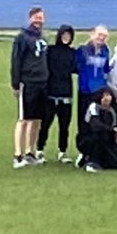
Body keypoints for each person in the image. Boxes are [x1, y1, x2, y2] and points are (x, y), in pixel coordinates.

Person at [10, 6, 49, 169]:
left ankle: (30, 151)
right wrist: (15, 83)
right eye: (36, 17)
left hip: (42, 82)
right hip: (28, 82)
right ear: (30, 18)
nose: (39, 20)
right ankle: (18, 155)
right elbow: (16, 60)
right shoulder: (22, 37)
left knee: (36, 120)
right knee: (24, 119)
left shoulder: (43, 38)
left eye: (41, 17)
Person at [37, 24, 76, 164]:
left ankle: (62, 151)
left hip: (66, 94)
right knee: (46, 123)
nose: (66, 37)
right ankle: (39, 150)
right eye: (64, 34)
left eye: (69, 35)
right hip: (50, 93)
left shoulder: (73, 53)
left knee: (64, 125)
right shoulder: (51, 51)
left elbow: (78, 68)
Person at [74, 26, 111, 144]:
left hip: (99, 92)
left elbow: (106, 70)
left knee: (97, 121)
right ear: (92, 34)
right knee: (84, 120)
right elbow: (75, 67)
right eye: (99, 35)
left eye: (104, 36)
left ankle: (96, 149)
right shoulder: (83, 50)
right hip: (85, 90)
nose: (101, 38)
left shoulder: (105, 51)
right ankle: (83, 148)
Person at [77, 86, 117, 172]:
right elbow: (95, 125)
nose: (106, 98)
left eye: (108, 95)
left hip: (106, 139)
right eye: (104, 95)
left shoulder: (113, 111)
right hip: (90, 138)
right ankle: (90, 161)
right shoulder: (94, 107)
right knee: (97, 138)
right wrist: (112, 130)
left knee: (116, 164)